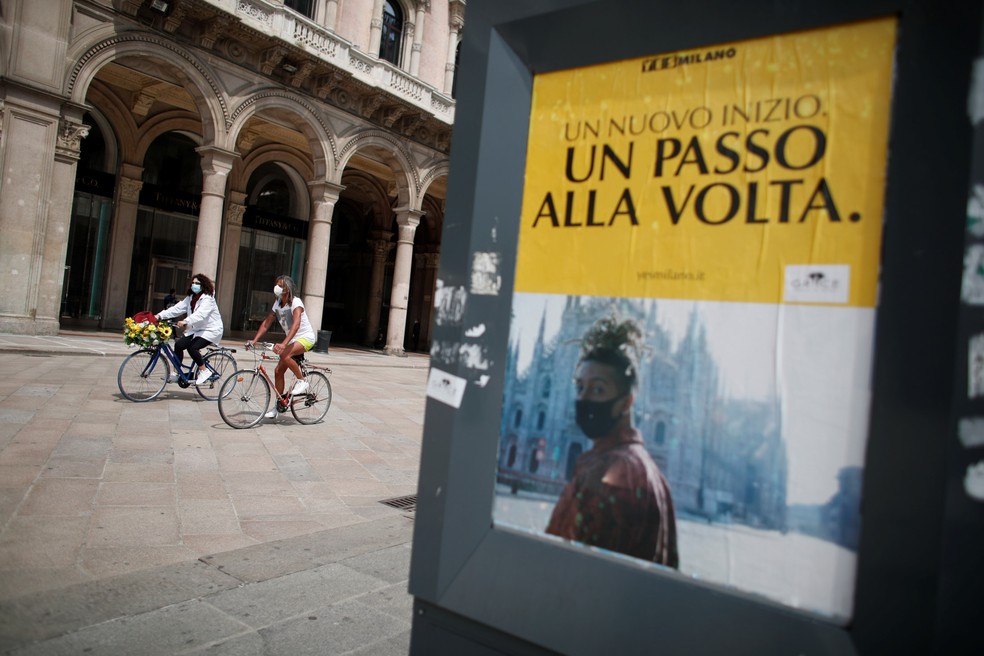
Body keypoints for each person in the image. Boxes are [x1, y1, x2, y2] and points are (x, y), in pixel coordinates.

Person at [545, 314, 679, 568]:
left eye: (598, 389)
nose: (583, 399)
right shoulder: (651, 474)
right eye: (580, 387)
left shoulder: (611, 474)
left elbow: (577, 574)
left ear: (627, 402)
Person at [247, 275, 317, 419]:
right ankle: (279, 405)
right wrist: (254, 340)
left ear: (287, 289)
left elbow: (296, 325)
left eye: (280, 285)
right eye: (276, 284)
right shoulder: (277, 304)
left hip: (306, 339)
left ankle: (302, 381)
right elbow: (267, 323)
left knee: (284, 354)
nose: (276, 288)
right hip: (292, 341)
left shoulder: (296, 302)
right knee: (278, 371)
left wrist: (284, 344)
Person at [154, 274, 224, 386]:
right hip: (197, 329)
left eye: (197, 283)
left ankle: (204, 371)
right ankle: (176, 374)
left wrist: (186, 321)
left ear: (203, 285)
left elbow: (201, 314)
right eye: (193, 283)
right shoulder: (191, 298)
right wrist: (160, 316)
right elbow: (177, 308)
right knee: (179, 345)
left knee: (192, 348)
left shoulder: (208, 298)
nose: (194, 285)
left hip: (210, 330)